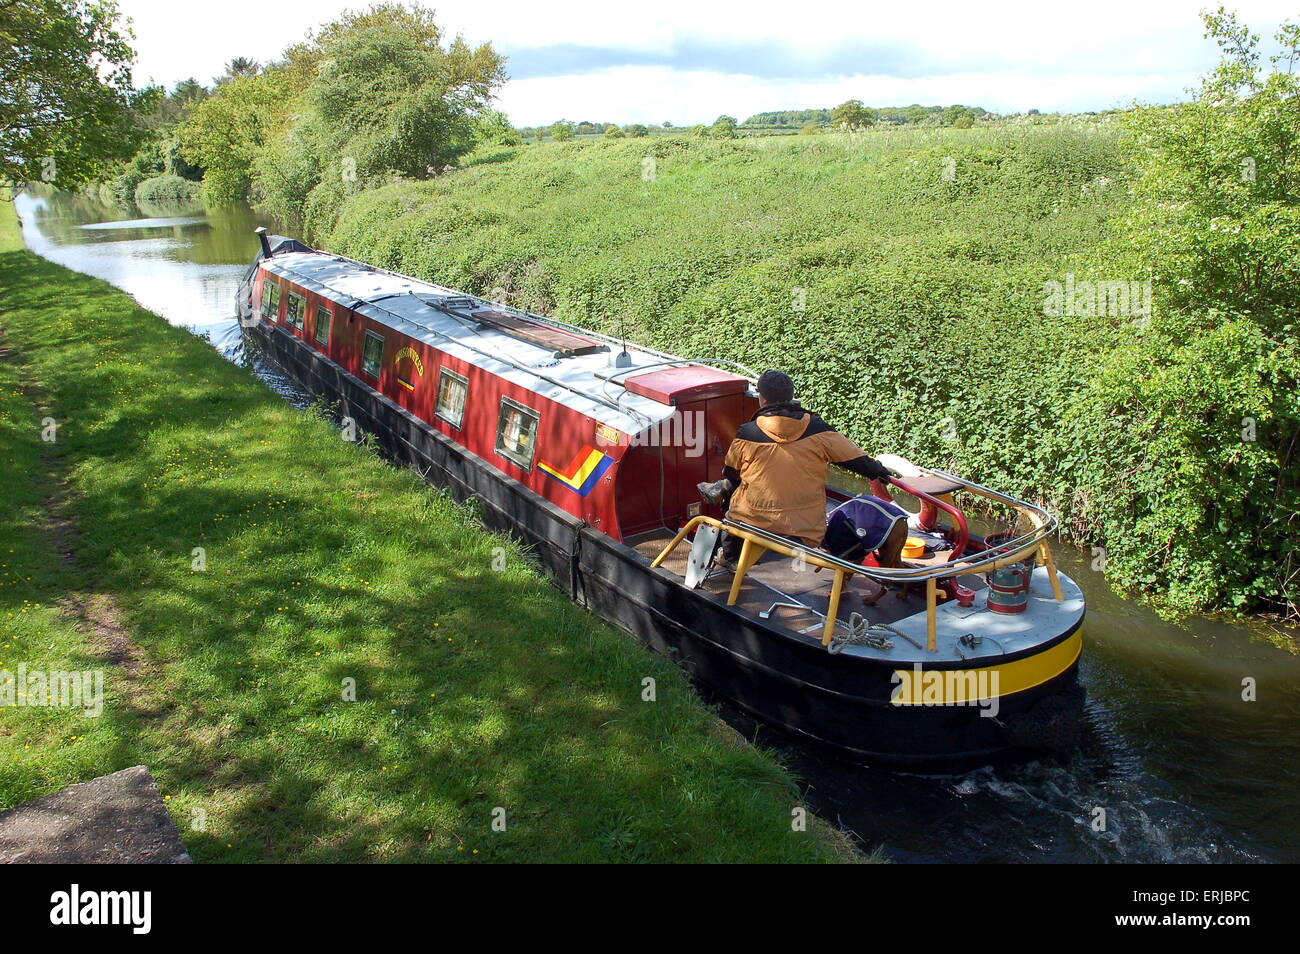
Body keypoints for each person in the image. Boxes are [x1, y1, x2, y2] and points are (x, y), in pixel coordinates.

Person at [697, 370, 893, 564]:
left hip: (752, 522)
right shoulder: (819, 429)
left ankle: (729, 559)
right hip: (806, 528)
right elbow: (857, 459)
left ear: (762, 398)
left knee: (731, 505)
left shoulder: (748, 433)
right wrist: (878, 471)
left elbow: (731, 472)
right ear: (790, 396)